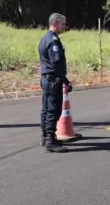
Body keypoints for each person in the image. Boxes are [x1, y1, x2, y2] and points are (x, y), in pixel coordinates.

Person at [38, 13, 73, 153]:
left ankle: (45, 136)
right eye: (63, 24)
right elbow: (57, 64)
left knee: (46, 109)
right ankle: (50, 141)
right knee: (53, 110)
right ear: (55, 23)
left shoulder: (44, 38)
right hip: (53, 79)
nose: (64, 26)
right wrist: (65, 80)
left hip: (45, 78)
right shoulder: (53, 40)